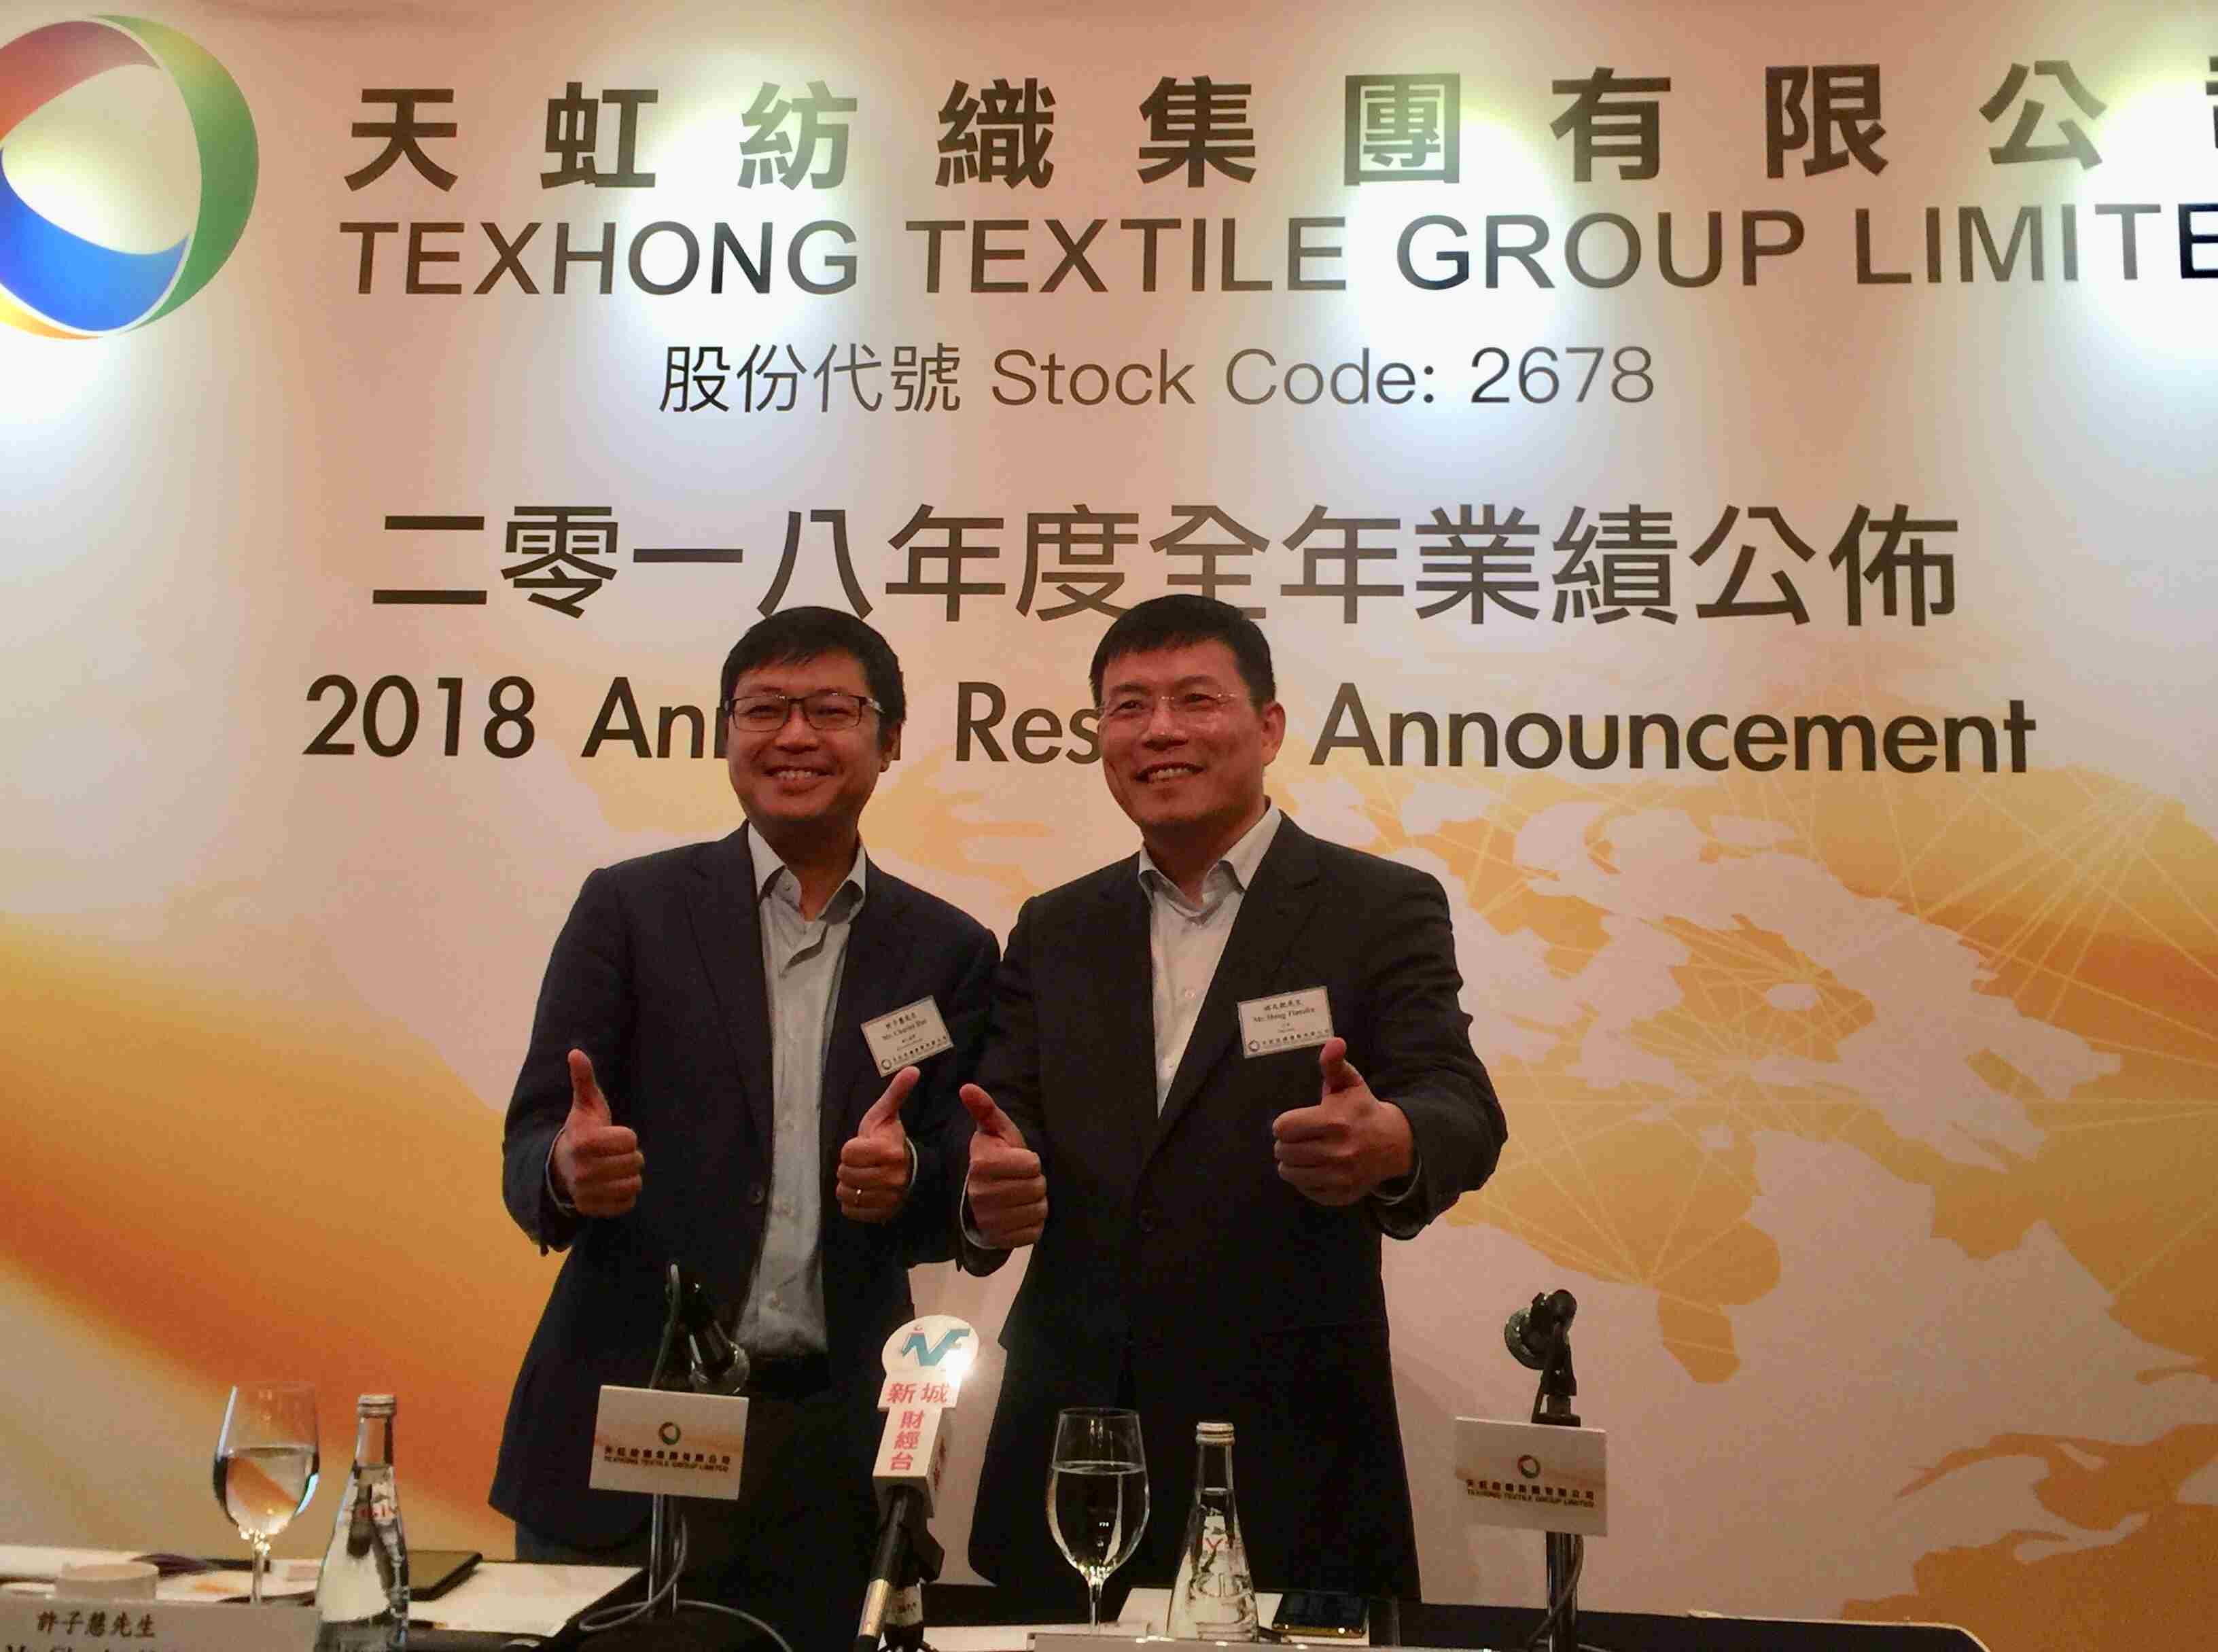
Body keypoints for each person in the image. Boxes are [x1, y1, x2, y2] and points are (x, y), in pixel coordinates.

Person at [960, 595, 1506, 1605]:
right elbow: (1006, 1108)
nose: (1159, 730)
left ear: (1269, 727)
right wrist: (985, 1177)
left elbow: (1460, 1103)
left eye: (1196, 700)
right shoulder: (1057, 925)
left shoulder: (1377, 906)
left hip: (1288, 1438)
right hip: (1079, 1430)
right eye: (1129, 706)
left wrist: (1393, 1138)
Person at [491, 608, 998, 1650]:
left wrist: (911, 1179)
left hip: (829, 1455)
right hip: (630, 1428)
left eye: (831, 710)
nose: (795, 735)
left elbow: (954, 1186)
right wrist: (567, 1170)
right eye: (764, 709)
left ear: (890, 741)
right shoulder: (629, 910)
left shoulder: (946, 949)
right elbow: (535, 1137)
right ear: (726, 733)